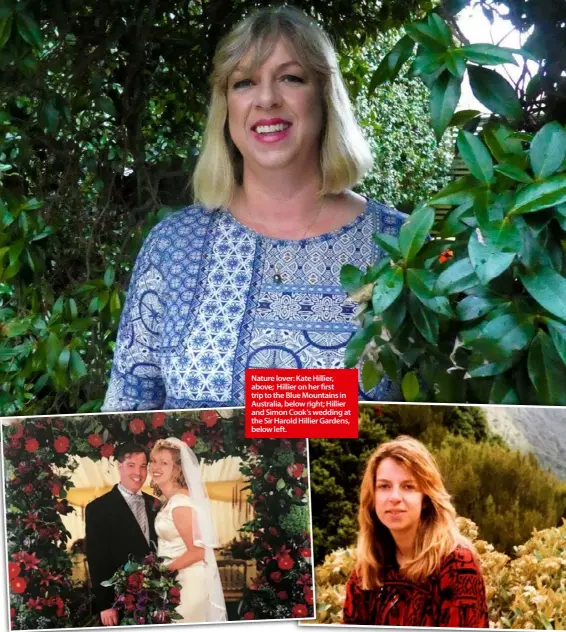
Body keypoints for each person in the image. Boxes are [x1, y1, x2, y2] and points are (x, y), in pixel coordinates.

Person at [102, 5, 406, 413]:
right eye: (244, 83)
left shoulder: (401, 248)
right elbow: (127, 415)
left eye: (291, 78)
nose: (266, 99)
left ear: (324, 96)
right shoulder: (173, 247)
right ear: (226, 106)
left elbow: (448, 409)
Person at [343, 436, 489, 627]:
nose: (394, 497)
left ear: (426, 499)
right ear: (372, 497)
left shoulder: (457, 566)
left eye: (408, 486)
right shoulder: (367, 571)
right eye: (384, 486)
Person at [149, 438, 227, 623]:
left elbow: (199, 551)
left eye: (164, 462)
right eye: (153, 461)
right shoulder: (172, 501)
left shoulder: (181, 504)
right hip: (177, 580)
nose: (155, 467)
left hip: (189, 582)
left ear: (177, 469)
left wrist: (162, 570)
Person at [85, 443, 157, 626]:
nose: (138, 473)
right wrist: (105, 605)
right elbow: (97, 560)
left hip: (157, 598)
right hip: (120, 601)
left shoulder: (155, 504)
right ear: (119, 466)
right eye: (131, 465)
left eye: (143, 466)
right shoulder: (98, 508)